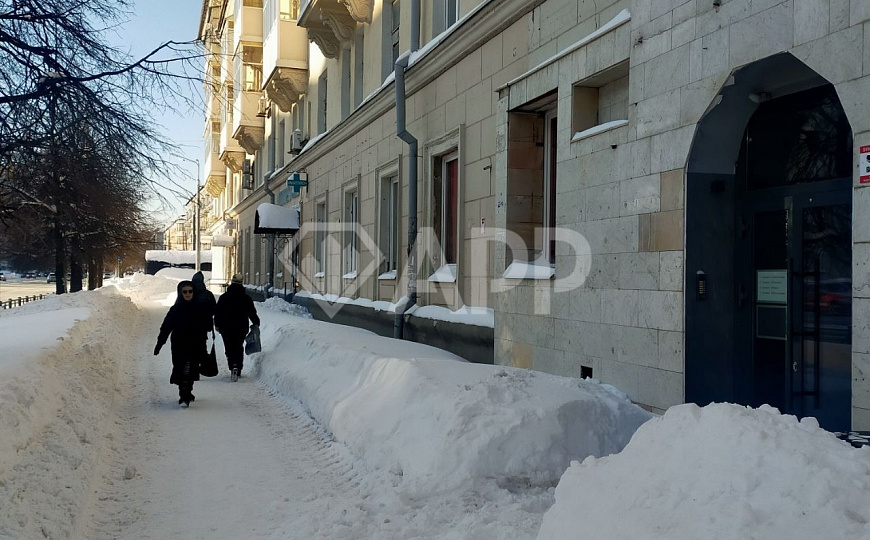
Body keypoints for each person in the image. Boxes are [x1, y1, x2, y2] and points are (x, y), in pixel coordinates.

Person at [154, 281, 205, 407]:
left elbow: (205, 325)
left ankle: (187, 392)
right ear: (180, 293)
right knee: (181, 367)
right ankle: (184, 393)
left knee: (191, 367)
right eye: (185, 292)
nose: (188, 294)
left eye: (190, 291)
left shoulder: (199, 308)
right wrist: (160, 343)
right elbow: (166, 327)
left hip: (195, 343)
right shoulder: (175, 309)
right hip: (179, 343)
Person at [214, 273, 260, 382]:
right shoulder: (246, 298)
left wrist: (217, 324)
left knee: (229, 347)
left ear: (231, 282)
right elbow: (252, 312)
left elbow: (218, 312)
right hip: (241, 326)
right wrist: (256, 322)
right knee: (238, 346)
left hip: (226, 327)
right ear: (242, 283)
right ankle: (238, 368)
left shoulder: (224, 297)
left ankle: (232, 365)